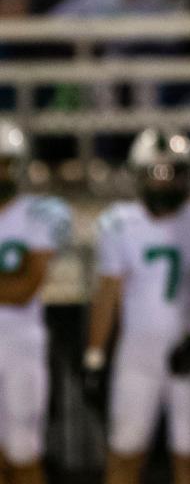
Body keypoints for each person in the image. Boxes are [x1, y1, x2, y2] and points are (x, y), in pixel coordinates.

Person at [83, 128, 190, 484]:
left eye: (171, 173)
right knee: (123, 457)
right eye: (154, 174)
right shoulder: (119, 224)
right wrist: (94, 356)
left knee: (189, 460)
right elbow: (107, 294)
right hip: (137, 354)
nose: (163, 183)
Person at [0, 121, 71, 484]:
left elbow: (26, 287)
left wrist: (14, 285)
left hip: (19, 347)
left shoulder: (38, 213)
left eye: (4, 163)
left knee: (24, 455)